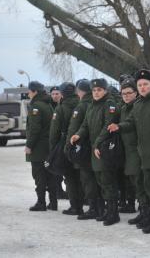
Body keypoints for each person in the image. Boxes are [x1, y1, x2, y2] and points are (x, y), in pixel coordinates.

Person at [108, 69, 150, 236]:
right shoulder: (138, 104)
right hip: (145, 155)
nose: (143, 87)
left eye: (145, 84)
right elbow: (131, 122)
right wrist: (119, 126)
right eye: (140, 85)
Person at [70, 78, 120, 226]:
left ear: (105, 91)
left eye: (99, 90)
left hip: (105, 148)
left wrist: (98, 143)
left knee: (107, 180)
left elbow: (108, 126)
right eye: (94, 90)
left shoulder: (109, 104)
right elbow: (85, 125)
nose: (96, 92)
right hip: (95, 148)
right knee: (100, 180)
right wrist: (78, 134)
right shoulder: (92, 105)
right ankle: (107, 210)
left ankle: (113, 213)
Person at [66, 79, 103, 221]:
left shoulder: (81, 107)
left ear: (80, 91)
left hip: (83, 149)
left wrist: (68, 147)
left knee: (88, 180)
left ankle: (93, 208)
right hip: (95, 148)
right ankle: (99, 207)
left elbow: (73, 128)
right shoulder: (94, 104)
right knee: (96, 179)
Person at [119, 78, 150, 227]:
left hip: (138, 151)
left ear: (135, 93)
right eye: (123, 93)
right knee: (136, 184)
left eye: (129, 93)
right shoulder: (124, 108)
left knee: (142, 183)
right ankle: (143, 212)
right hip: (128, 151)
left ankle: (147, 213)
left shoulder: (137, 107)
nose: (126, 96)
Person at [49, 82, 83, 215]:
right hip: (81, 143)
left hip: (65, 144)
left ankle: (75, 206)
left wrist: (53, 149)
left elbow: (54, 131)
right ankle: (84, 202)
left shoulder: (61, 108)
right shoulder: (81, 104)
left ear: (62, 93)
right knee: (79, 175)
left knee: (69, 176)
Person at [25, 81, 56, 211]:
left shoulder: (36, 106)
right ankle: (53, 203)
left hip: (38, 148)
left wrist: (29, 145)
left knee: (39, 175)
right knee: (50, 175)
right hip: (48, 146)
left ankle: (41, 202)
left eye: (30, 91)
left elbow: (35, 129)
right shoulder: (48, 104)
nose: (28, 93)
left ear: (35, 92)